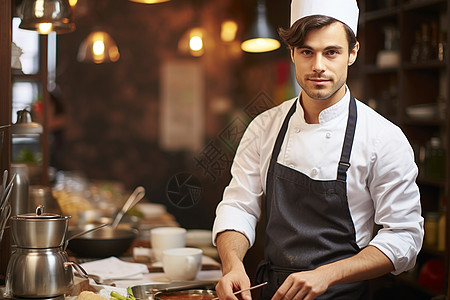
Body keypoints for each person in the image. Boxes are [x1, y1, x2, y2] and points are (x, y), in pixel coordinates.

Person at [212, 0, 424, 299]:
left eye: (332, 52)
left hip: (344, 293)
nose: (318, 66)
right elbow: (238, 206)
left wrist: (329, 273)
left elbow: (405, 237)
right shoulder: (263, 127)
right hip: (272, 292)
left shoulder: (384, 138)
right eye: (307, 52)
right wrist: (232, 264)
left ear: (352, 53)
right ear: (292, 54)